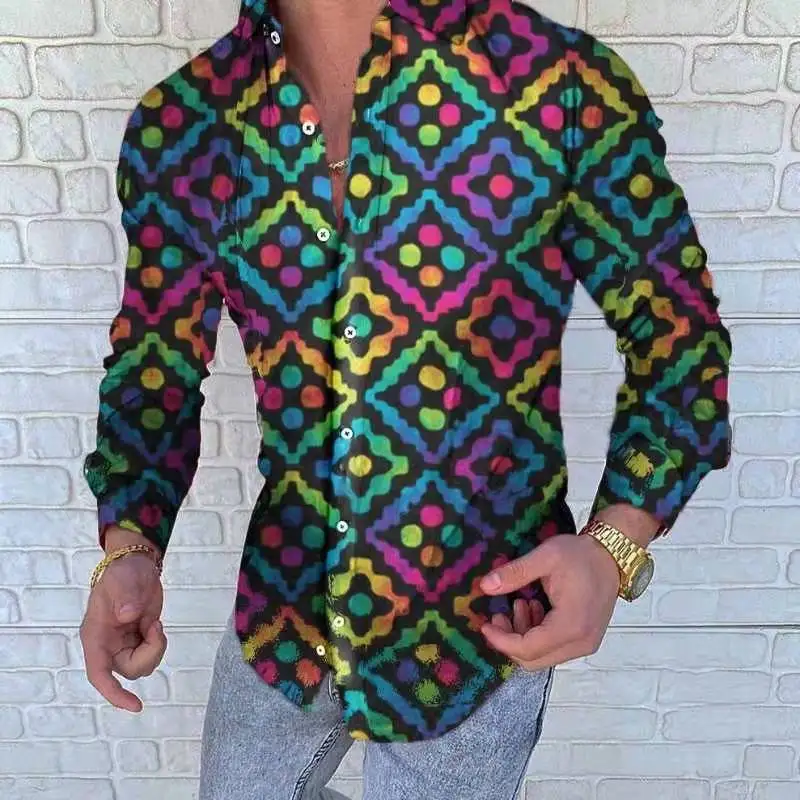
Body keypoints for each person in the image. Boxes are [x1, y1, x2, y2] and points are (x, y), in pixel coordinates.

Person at [79, 1, 733, 798]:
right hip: (284, 618)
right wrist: (131, 547)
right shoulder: (185, 125)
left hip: (478, 636)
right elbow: (155, 368)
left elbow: (680, 341)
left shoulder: (562, 87)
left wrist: (614, 545)